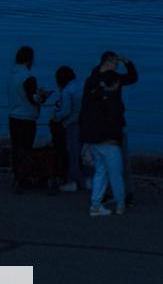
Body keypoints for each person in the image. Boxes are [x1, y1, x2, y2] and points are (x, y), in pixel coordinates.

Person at [87, 52, 138, 206]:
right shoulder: (113, 78)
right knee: (120, 161)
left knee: (102, 164)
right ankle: (124, 194)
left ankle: (107, 194)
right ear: (108, 62)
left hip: (99, 127)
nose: (117, 66)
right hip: (114, 126)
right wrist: (127, 62)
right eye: (116, 63)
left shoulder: (93, 79)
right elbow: (133, 77)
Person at [80, 61, 127, 216]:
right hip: (110, 143)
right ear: (115, 84)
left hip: (95, 142)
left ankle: (96, 204)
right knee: (116, 175)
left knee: (100, 172)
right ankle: (120, 204)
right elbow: (116, 122)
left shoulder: (94, 97)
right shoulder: (113, 101)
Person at [7, 46, 50, 193]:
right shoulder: (28, 76)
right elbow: (34, 98)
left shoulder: (12, 74)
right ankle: (24, 179)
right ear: (29, 59)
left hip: (13, 116)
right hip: (26, 117)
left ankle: (17, 176)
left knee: (16, 148)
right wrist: (43, 96)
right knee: (26, 149)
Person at [50, 66, 83, 193]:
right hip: (85, 122)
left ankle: (72, 182)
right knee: (83, 153)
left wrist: (55, 117)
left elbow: (65, 111)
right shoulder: (81, 85)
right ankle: (85, 180)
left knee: (72, 153)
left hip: (72, 124)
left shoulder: (67, 91)